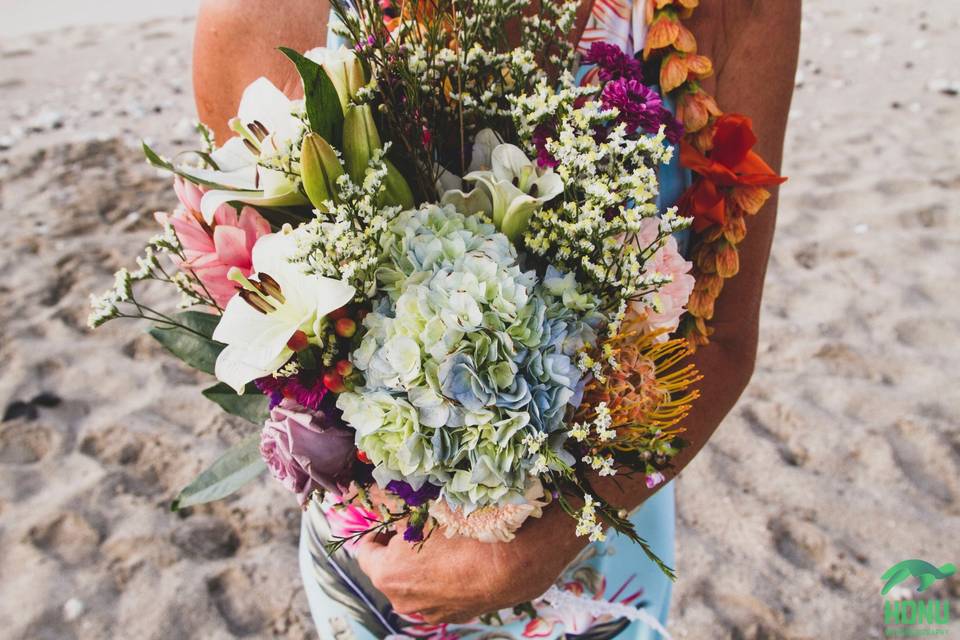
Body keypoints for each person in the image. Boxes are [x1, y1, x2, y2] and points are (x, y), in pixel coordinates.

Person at [192, 1, 800, 636]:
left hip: (600, 536)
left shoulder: (729, 11)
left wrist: (552, 537)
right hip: (390, 564)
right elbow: (262, 306)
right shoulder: (263, 14)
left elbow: (724, 334)